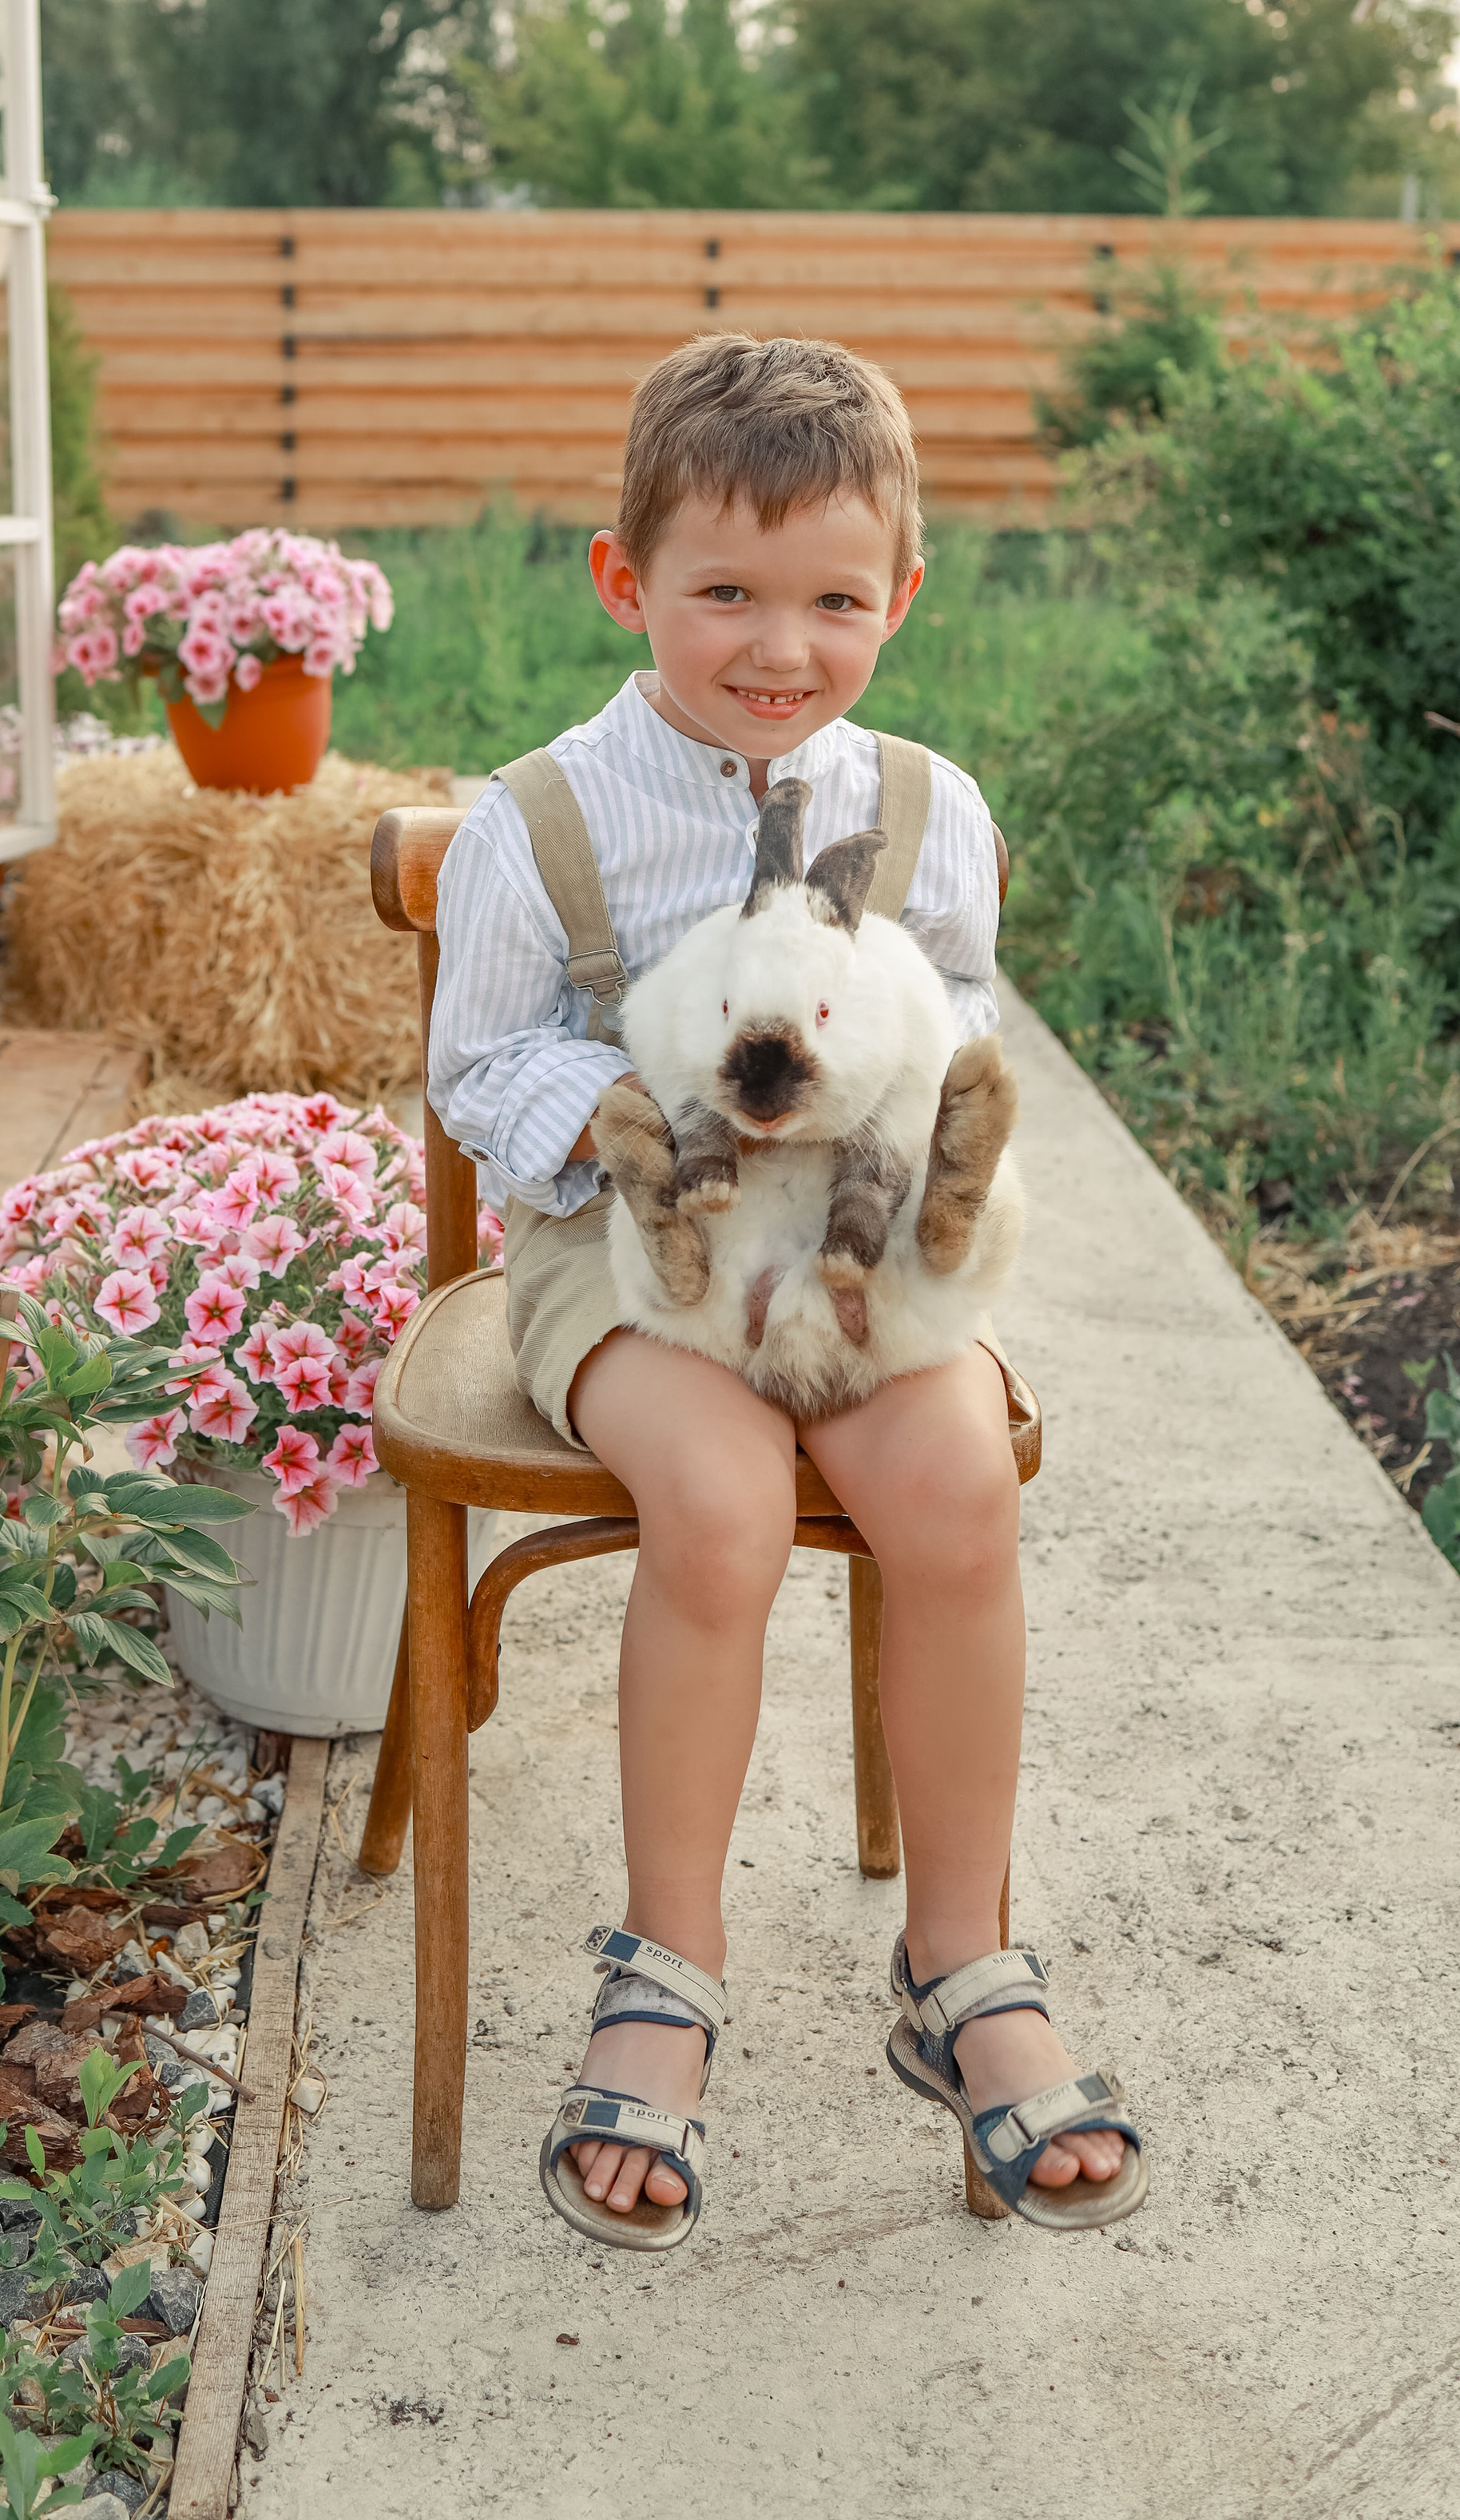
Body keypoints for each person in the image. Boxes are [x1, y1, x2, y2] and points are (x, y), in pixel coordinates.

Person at [426, 332, 1145, 2244]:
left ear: (898, 595)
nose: (776, 646)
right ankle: (668, 1964)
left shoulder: (927, 809)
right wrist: (634, 1119)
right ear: (624, 581)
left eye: (832, 600)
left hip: (854, 1252)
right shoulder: (544, 817)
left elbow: (962, 1012)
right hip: (626, 1252)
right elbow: (475, 1061)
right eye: (721, 593)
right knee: (727, 1503)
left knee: (956, 1487)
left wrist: (904, 1121)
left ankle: (957, 1962)